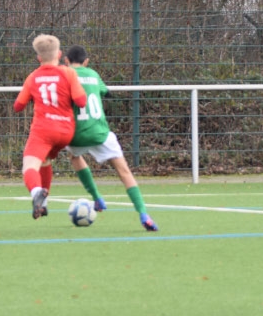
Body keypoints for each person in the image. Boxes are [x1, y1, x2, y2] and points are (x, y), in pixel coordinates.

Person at [63, 44, 158, 232]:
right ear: (86, 61)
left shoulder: (64, 75)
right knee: (124, 172)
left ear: (66, 60)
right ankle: (143, 214)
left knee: (74, 156)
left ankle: (97, 197)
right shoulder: (93, 74)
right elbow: (106, 92)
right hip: (100, 132)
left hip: (76, 133)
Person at [13, 34, 87, 219]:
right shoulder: (69, 73)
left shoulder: (33, 77)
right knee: (45, 160)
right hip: (65, 131)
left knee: (29, 166)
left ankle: (37, 192)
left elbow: (18, 106)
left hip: (43, 130)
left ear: (39, 57)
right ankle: (43, 204)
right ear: (59, 54)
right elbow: (81, 101)